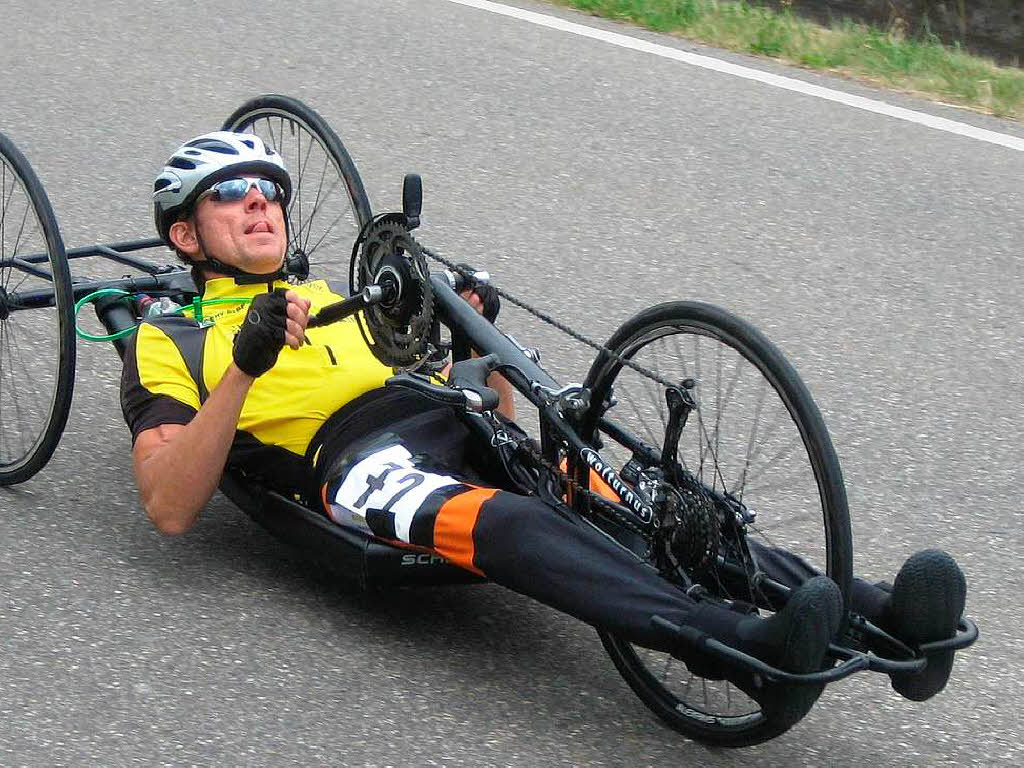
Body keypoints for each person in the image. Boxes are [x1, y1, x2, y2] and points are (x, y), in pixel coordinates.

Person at [121, 131, 968, 733]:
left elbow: (495, 408)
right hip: (351, 465)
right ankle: (737, 647)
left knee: (634, 499)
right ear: (187, 234)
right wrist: (246, 363)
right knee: (518, 523)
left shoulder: (337, 305)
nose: (260, 204)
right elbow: (167, 503)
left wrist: (470, 342)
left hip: (447, 417)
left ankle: (880, 615)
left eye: (270, 191)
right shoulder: (175, 339)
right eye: (231, 194)